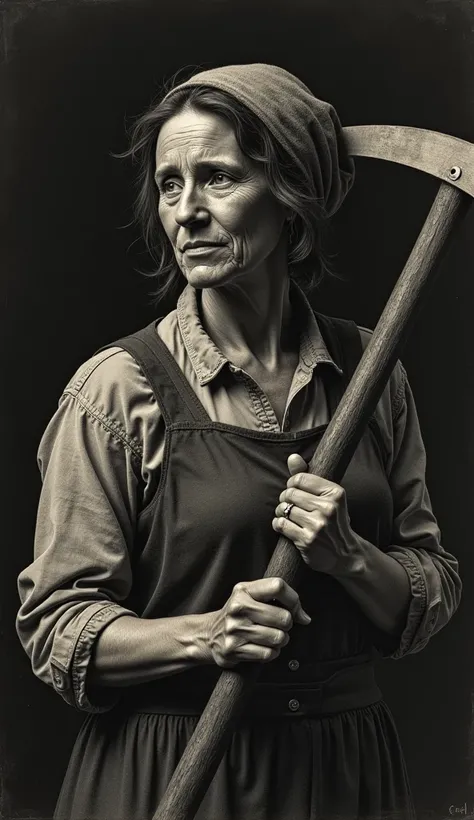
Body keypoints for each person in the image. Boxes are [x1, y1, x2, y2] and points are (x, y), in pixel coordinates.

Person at [16, 63, 461, 820]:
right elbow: (57, 627)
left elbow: (432, 584)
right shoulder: (116, 391)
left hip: (345, 777)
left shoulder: (374, 374)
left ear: (291, 199)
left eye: (217, 178)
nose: (186, 212)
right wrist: (205, 635)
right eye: (168, 185)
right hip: (176, 769)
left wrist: (351, 556)